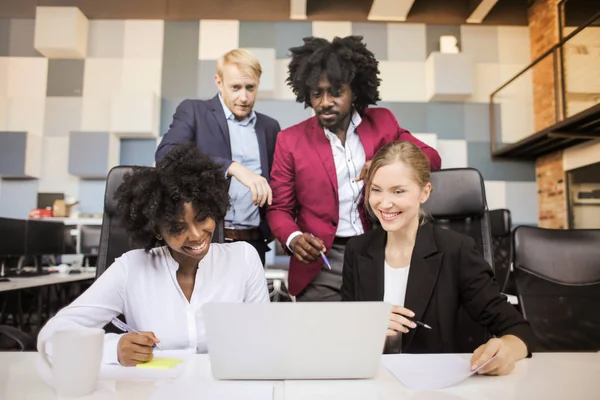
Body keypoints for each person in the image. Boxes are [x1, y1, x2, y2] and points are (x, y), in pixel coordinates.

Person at [38, 144, 269, 366]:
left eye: (202, 219)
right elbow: (51, 336)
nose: (197, 235)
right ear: (158, 230)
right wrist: (113, 348)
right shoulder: (131, 268)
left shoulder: (244, 259)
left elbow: (265, 339)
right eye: (178, 228)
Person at [266, 36, 442, 301]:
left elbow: (431, 157)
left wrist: (387, 163)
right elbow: (279, 208)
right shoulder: (289, 141)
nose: (325, 101)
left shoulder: (383, 122)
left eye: (335, 92)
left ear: (355, 91)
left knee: (381, 337)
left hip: (379, 250)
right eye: (317, 93)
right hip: (320, 263)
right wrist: (293, 238)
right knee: (322, 340)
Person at [341, 140, 533, 375]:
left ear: (425, 192)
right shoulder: (357, 249)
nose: (384, 202)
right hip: (373, 382)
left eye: (398, 191)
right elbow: (346, 332)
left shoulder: (456, 250)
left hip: (435, 385)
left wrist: (507, 350)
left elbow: (518, 329)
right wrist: (369, 329)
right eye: (376, 190)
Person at [155, 49, 280, 265]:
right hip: (204, 242)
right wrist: (232, 167)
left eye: (250, 88)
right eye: (235, 88)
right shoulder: (193, 111)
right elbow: (167, 155)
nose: (244, 97)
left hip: (254, 245)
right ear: (219, 82)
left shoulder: (270, 127)